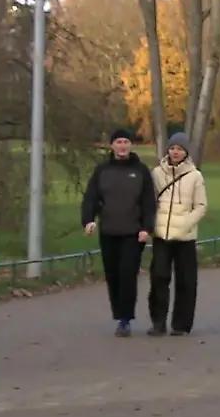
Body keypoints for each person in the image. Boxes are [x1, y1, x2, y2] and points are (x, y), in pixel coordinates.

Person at [80, 129, 157, 337]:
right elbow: (91, 198)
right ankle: (119, 314)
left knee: (127, 275)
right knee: (113, 276)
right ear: (112, 146)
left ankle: (125, 319)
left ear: (130, 145)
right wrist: (88, 220)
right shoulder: (102, 170)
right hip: (108, 231)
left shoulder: (141, 171)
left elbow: (149, 202)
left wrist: (146, 228)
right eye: (118, 142)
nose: (122, 145)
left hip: (132, 233)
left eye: (126, 141)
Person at [147, 133, 207, 337]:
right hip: (162, 234)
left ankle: (181, 325)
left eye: (180, 149)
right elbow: (150, 201)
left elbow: (201, 206)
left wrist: (185, 224)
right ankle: (158, 322)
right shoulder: (156, 173)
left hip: (185, 236)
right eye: (172, 148)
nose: (175, 152)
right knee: (159, 278)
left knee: (186, 281)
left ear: (186, 152)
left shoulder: (195, 176)